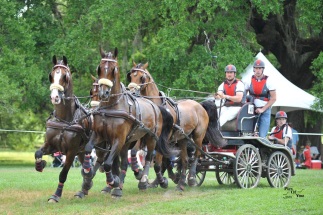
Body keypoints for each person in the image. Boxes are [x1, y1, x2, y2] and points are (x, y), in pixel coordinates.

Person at [244, 59, 276, 137]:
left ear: (263, 69)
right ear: (253, 69)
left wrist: (262, 109)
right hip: (252, 110)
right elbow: (244, 95)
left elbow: (273, 98)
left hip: (265, 110)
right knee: (248, 132)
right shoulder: (249, 80)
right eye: (256, 68)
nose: (258, 70)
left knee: (262, 135)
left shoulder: (269, 81)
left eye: (260, 68)